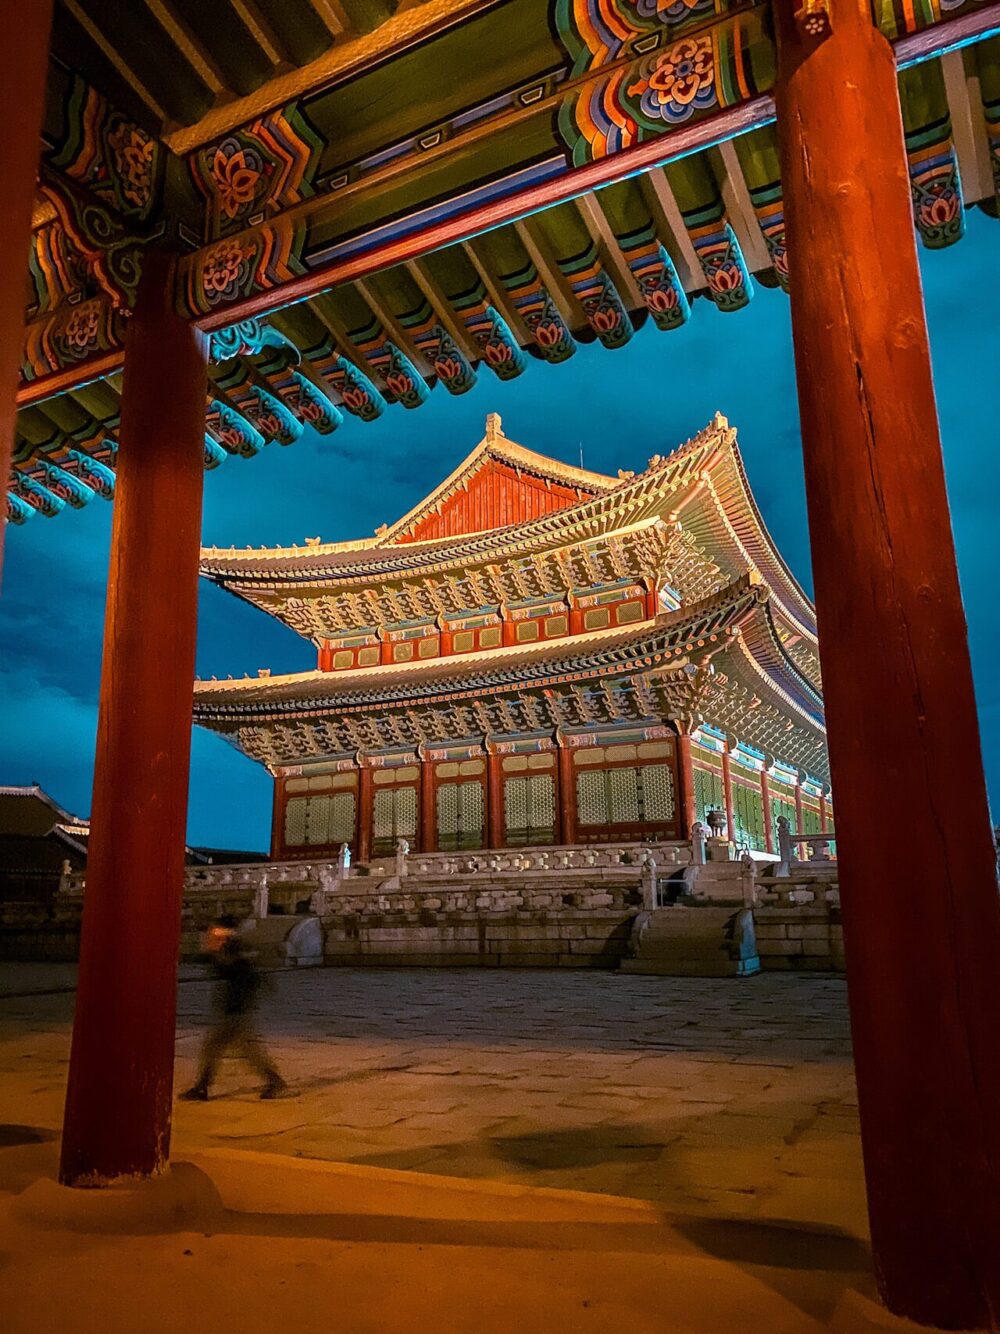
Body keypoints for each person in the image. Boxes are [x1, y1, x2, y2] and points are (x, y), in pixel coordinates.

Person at [180, 915, 287, 1101]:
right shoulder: (233, 948)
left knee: (243, 1050)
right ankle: (202, 1086)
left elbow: (231, 971)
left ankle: (275, 1082)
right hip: (235, 1008)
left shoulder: (234, 949)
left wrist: (216, 951)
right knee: (225, 1048)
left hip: (236, 1009)